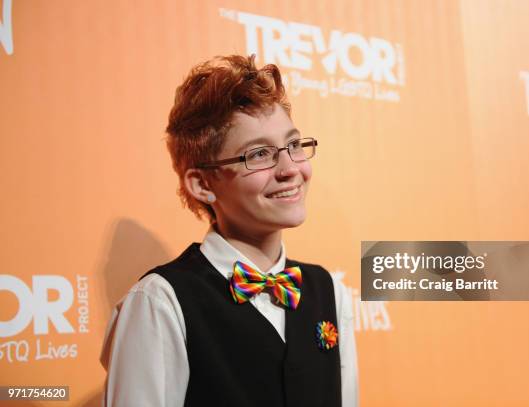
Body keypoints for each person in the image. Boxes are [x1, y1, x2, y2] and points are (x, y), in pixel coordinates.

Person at [100, 54, 358, 407]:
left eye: (294, 145)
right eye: (259, 154)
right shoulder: (160, 302)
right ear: (202, 184)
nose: (289, 168)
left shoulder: (329, 292)